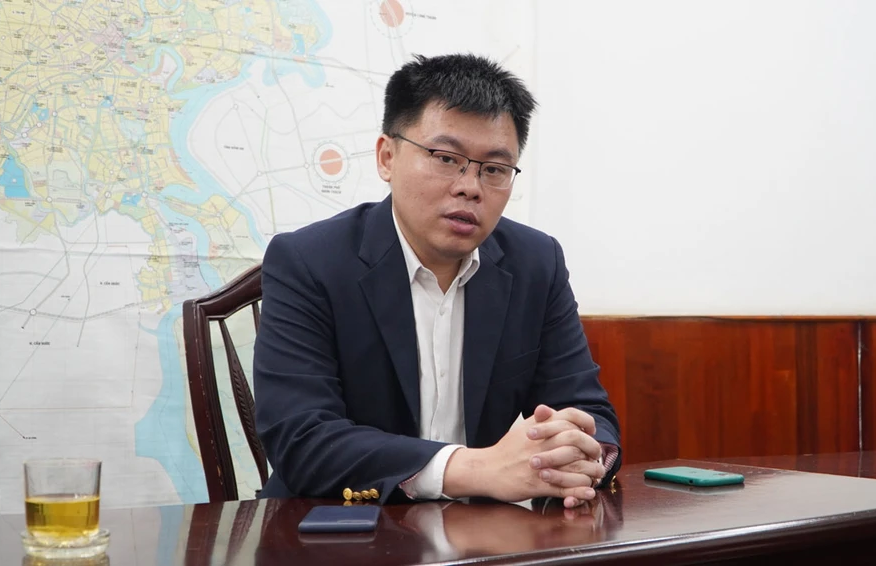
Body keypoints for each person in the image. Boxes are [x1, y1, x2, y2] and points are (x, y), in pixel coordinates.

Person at [253, 53, 621, 508]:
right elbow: (302, 438)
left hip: (480, 532)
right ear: (387, 157)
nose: (471, 186)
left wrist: (581, 452)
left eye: (494, 169)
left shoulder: (535, 263)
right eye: (446, 159)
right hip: (340, 525)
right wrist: (475, 469)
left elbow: (589, 413)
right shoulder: (308, 262)